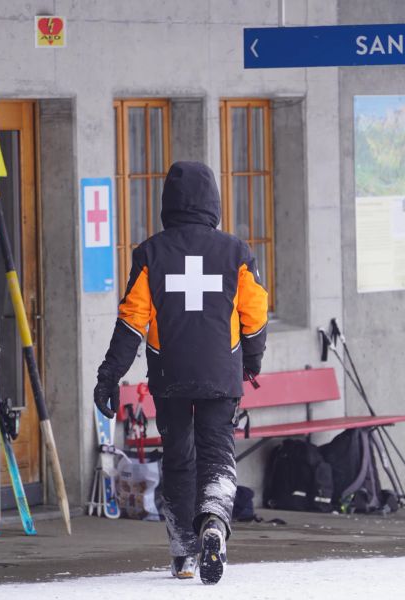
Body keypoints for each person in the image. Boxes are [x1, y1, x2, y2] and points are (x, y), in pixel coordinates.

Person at [93, 161, 268, 585]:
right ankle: (213, 523)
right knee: (216, 453)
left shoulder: (151, 253)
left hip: (169, 374)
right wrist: (251, 360)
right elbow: (255, 314)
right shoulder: (236, 253)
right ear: (214, 203)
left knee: (178, 458)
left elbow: (131, 320)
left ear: (166, 205)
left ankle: (184, 552)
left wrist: (109, 376)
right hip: (219, 373)